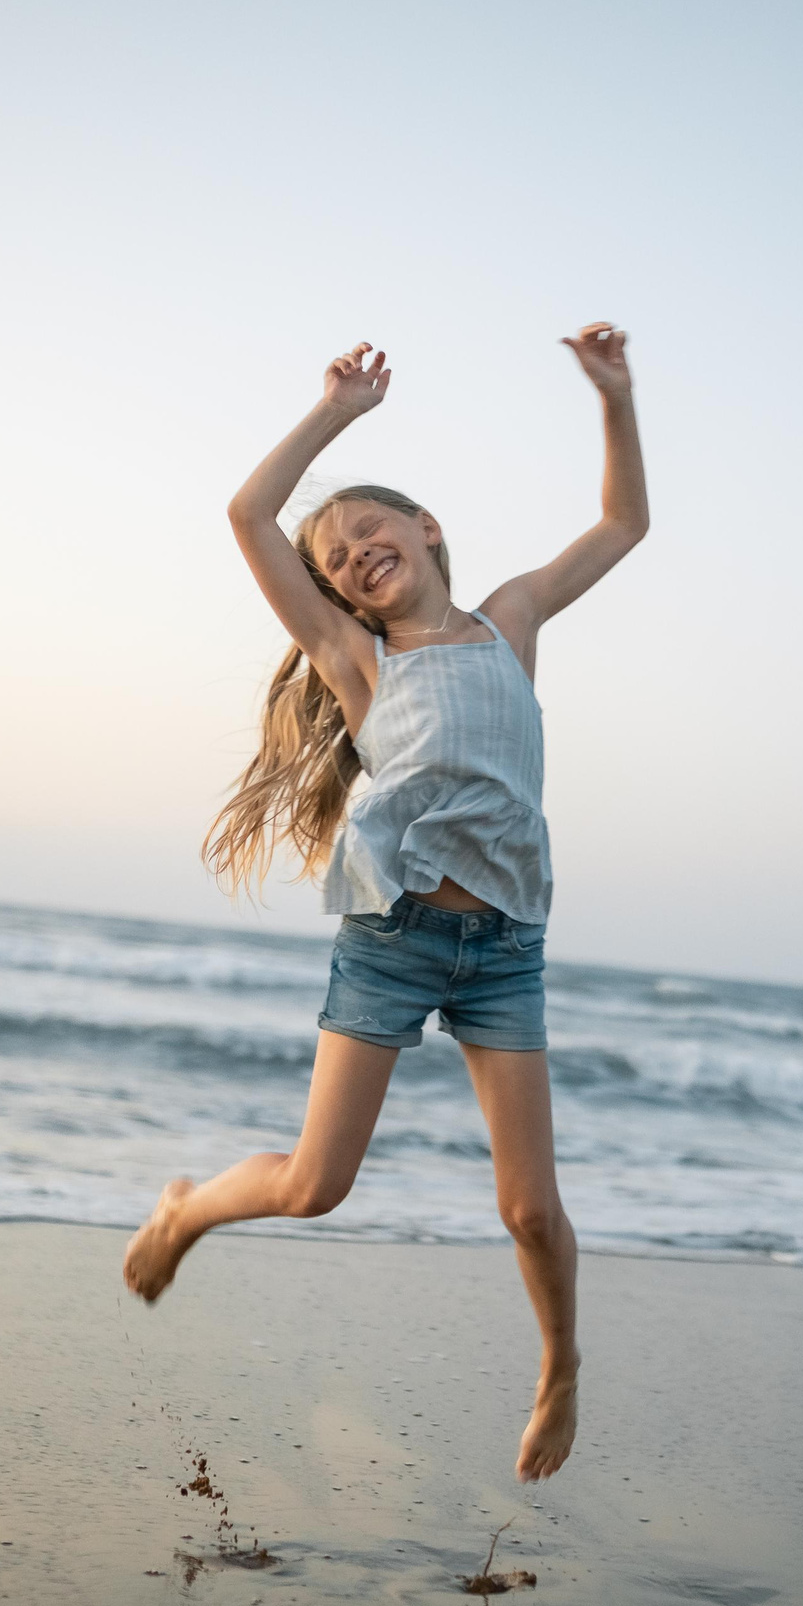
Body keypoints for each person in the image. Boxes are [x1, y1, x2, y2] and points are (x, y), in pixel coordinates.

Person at [121, 323, 648, 1483]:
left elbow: (622, 525)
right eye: (337, 555)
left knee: (530, 1210)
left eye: (372, 530)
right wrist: (336, 412)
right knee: (314, 1188)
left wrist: (614, 396)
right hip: (391, 940)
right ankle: (186, 1211)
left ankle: (560, 1367)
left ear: (428, 531)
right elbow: (247, 516)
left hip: (504, 950)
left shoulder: (511, 621)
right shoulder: (355, 660)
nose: (357, 554)